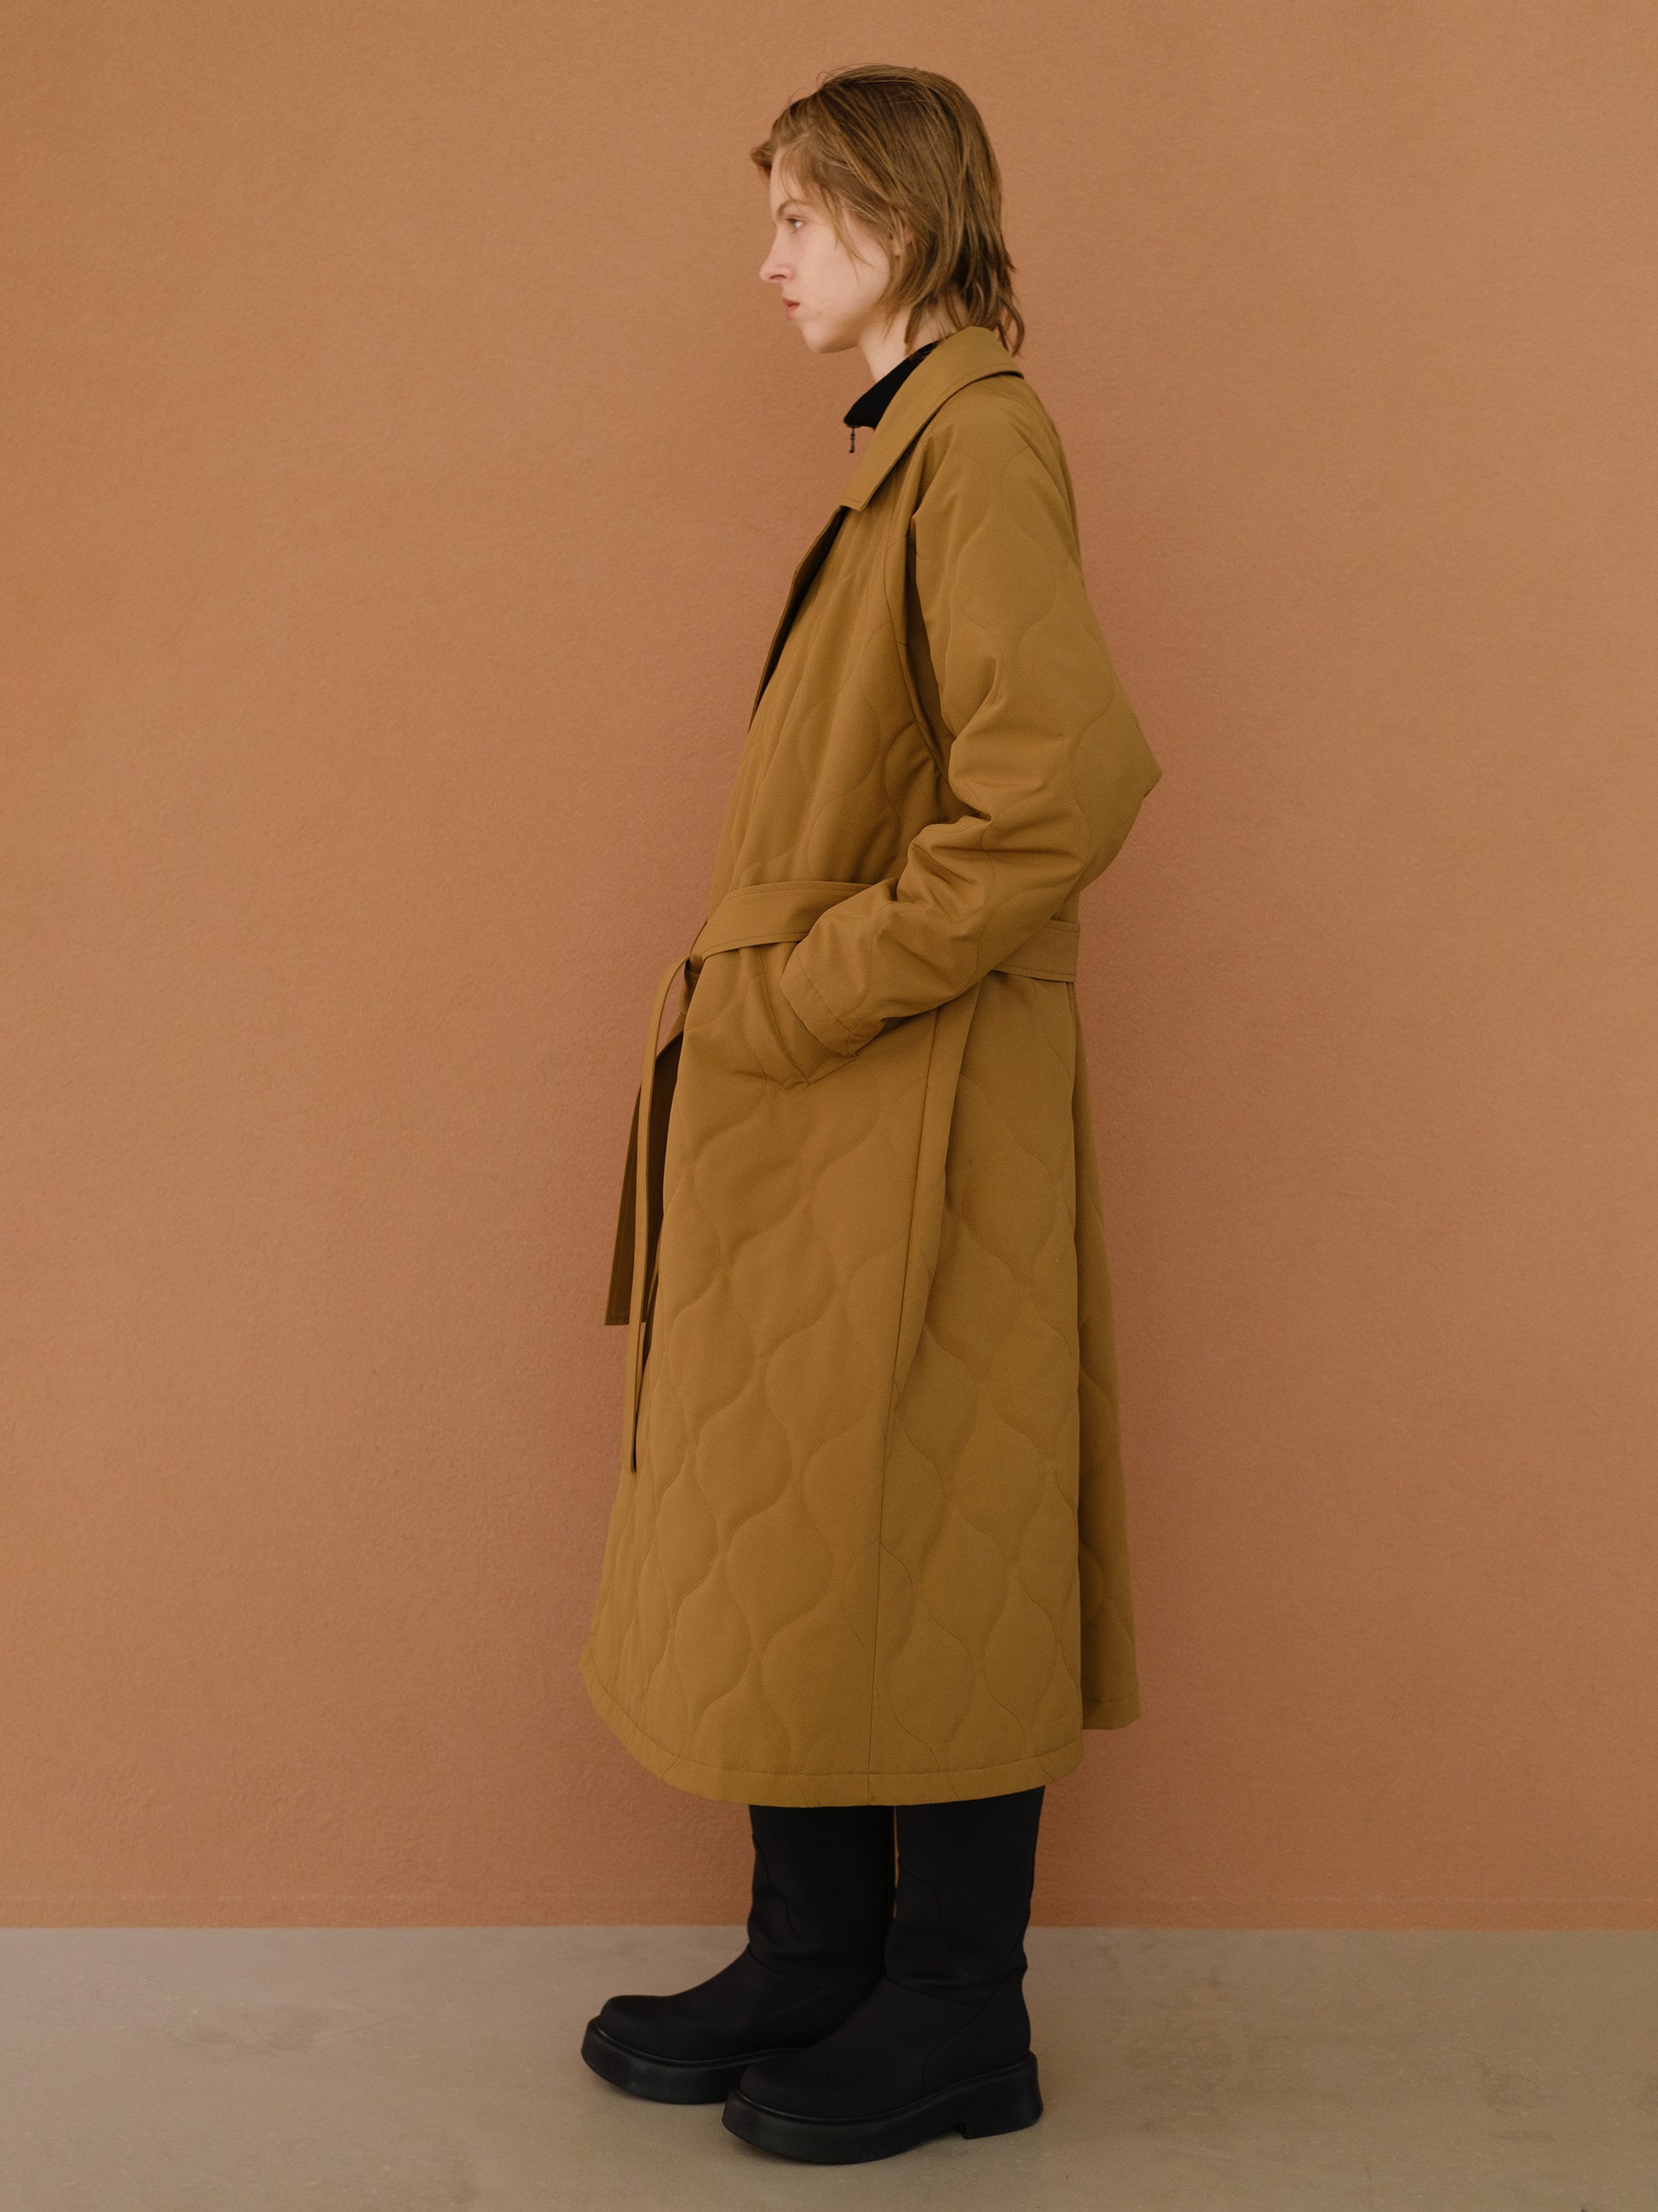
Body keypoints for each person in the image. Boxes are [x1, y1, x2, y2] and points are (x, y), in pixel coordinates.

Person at [579, 62, 1163, 2165]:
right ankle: (815, 1952)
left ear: (899, 225)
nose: (768, 262)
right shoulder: (906, 449)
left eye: (798, 221)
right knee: (810, 1516)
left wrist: (808, 987)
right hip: (829, 1097)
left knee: (938, 1521)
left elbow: (1054, 792)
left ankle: (954, 2007)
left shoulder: (976, 446)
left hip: (905, 1082)